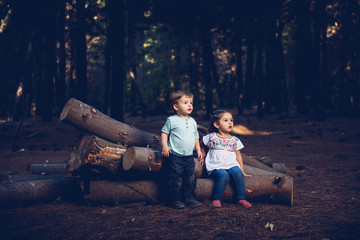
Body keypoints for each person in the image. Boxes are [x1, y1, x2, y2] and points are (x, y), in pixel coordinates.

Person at [161, 90, 203, 209]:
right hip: (175, 156)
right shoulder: (171, 120)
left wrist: (198, 150)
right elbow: (164, 133)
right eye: (185, 102)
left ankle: (189, 198)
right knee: (176, 178)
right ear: (176, 106)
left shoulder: (192, 121)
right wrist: (165, 146)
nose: (189, 105)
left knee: (190, 178)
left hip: (189, 156)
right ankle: (174, 199)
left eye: (191, 103)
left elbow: (196, 137)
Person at [202, 110, 252, 208]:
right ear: (216, 124)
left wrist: (242, 170)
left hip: (231, 164)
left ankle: (241, 198)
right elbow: (201, 145)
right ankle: (216, 199)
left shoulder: (234, 140)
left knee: (238, 174)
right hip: (215, 166)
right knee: (224, 176)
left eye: (231, 120)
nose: (230, 122)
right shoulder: (212, 137)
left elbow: (238, 155)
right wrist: (202, 155)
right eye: (226, 120)